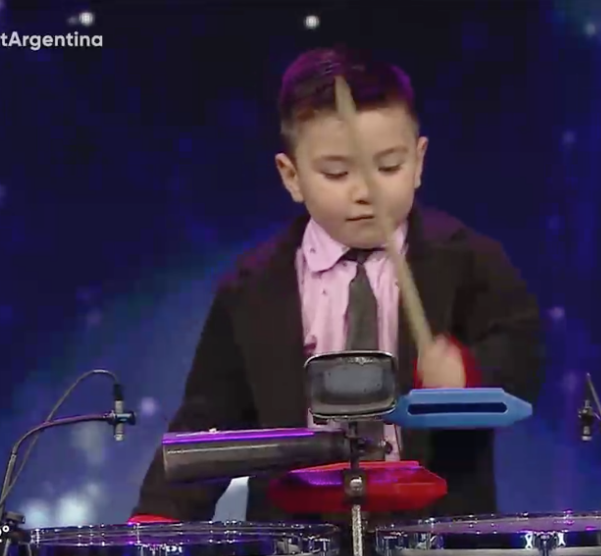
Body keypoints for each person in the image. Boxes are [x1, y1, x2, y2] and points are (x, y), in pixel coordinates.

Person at [130, 46, 543, 524]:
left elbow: (523, 356)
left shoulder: (468, 260)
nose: (366, 192)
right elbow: (210, 418)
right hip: (295, 537)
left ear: (419, 161)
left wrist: (468, 373)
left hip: (436, 531)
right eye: (337, 173)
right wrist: (157, 520)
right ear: (292, 176)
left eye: (388, 167)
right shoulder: (252, 287)